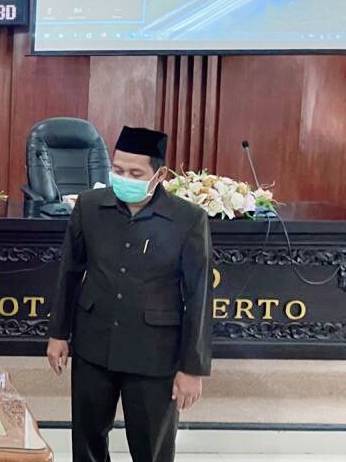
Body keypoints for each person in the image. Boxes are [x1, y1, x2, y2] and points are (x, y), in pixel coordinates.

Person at [46, 126, 212, 462]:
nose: (124, 179)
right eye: (118, 170)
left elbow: (199, 297)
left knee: (151, 448)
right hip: (94, 344)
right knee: (87, 443)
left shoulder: (187, 220)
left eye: (135, 174)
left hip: (154, 354)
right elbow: (70, 272)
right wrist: (58, 333)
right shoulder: (89, 207)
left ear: (160, 175)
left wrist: (192, 368)